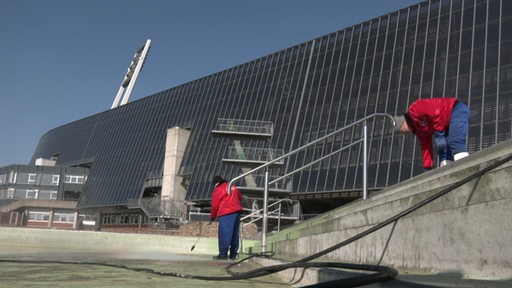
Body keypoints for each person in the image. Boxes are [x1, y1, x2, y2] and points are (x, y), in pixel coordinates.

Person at [394, 97, 471, 171]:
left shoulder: (414, 109)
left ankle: (466, 168)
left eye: (400, 131)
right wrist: (427, 167)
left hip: (455, 110)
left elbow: (434, 111)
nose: (403, 134)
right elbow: (426, 147)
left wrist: (439, 132)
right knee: (445, 156)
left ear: (403, 123)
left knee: (455, 141)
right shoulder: (419, 130)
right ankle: (450, 173)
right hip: (446, 125)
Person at [210, 175, 243, 260]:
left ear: (216, 183)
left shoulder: (218, 189)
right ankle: (233, 255)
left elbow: (214, 205)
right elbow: (240, 197)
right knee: (234, 234)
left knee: (224, 234)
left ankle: (223, 254)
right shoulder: (232, 186)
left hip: (226, 212)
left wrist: (212, 216)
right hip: (237, 212)